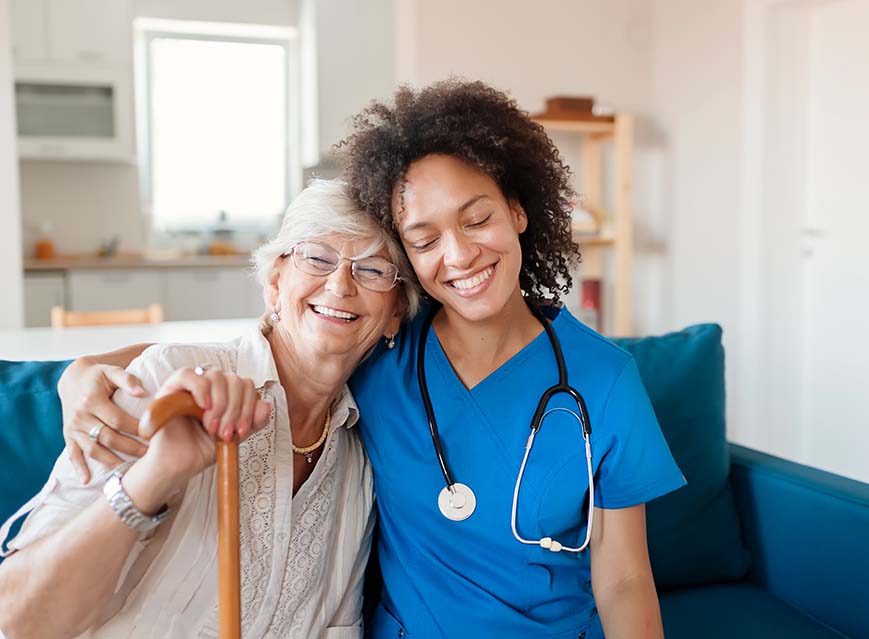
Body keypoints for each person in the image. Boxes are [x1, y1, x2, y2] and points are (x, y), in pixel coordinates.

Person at [55, 80, 685, 639]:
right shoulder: (384, 347)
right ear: (408, 260)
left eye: (477, 220)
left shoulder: (604, 382)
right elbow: (263, 345)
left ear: (518, 211)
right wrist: (82, 370)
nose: (459, 255)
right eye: (424, 239)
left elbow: (624, 581)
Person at [0, 179, 419, 639]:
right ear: (275, 282)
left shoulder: (357, 461)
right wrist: (158, 473)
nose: (340, 284)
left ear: (396, 310)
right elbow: (17, 618)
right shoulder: (169, 382)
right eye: (317, 258)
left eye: (373, 270)